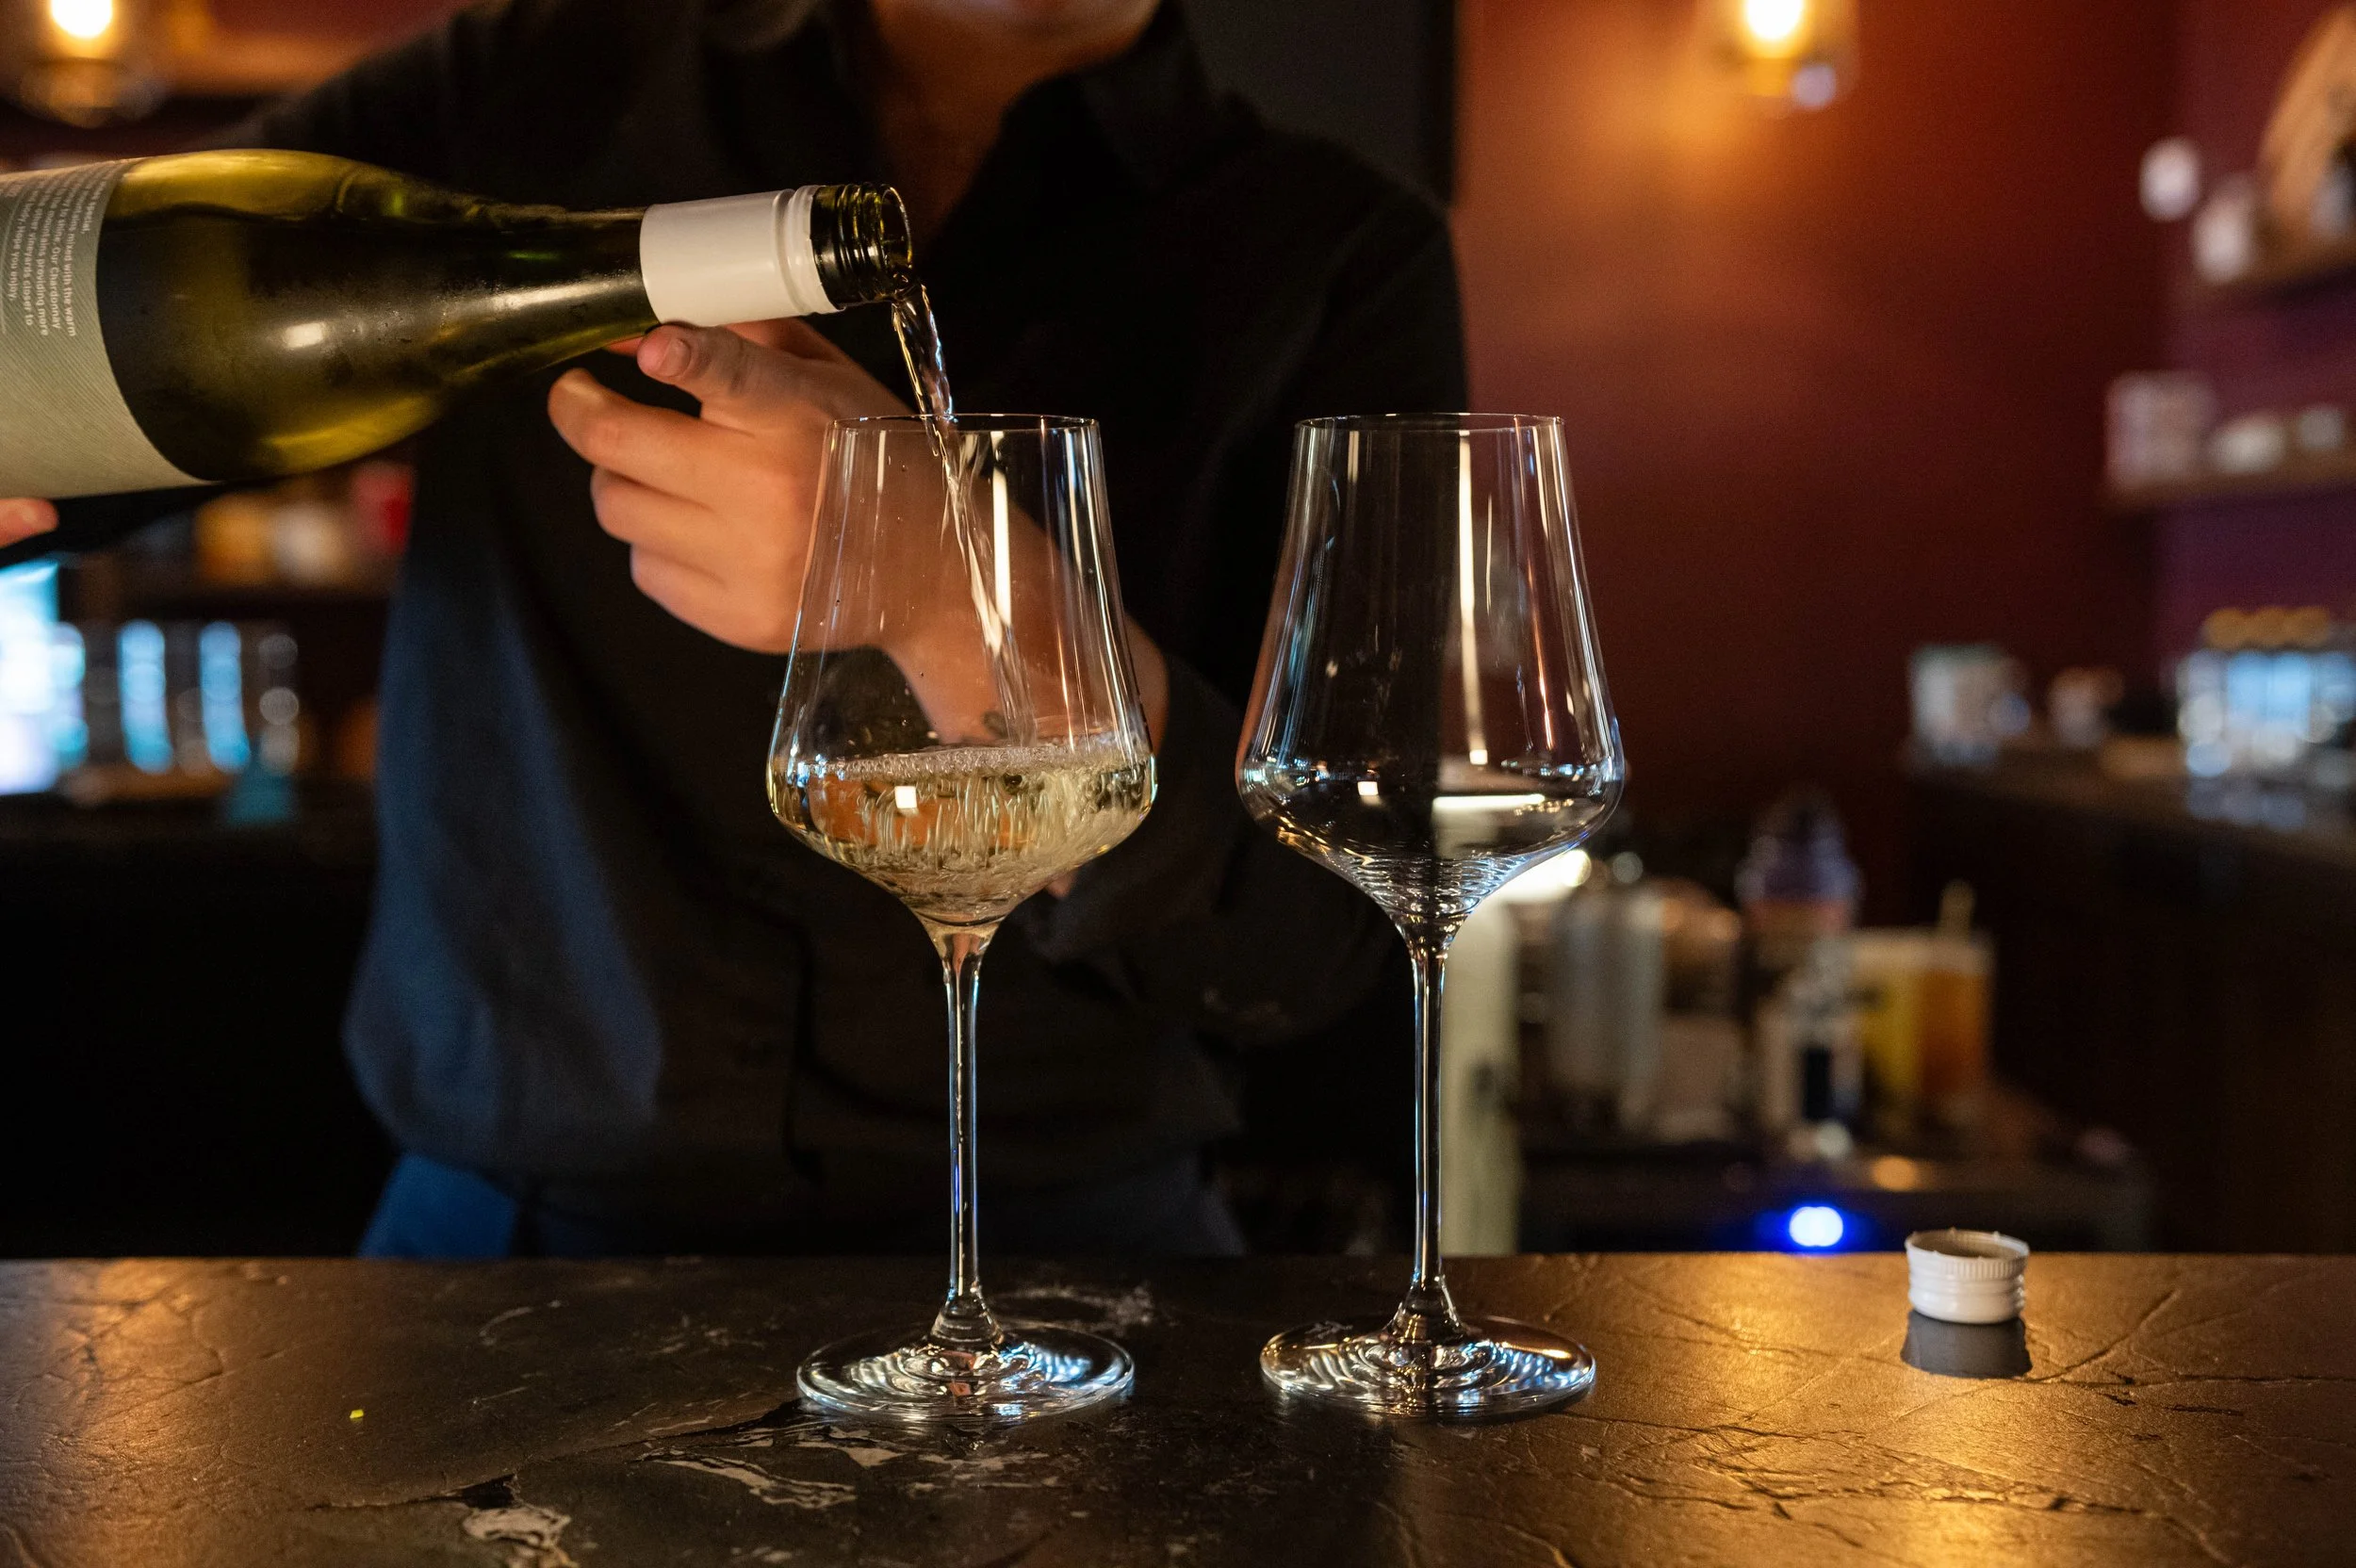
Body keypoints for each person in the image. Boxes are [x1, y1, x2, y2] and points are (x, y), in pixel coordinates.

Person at [0, 0, 1466, 1256]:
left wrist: (947, 588)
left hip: (1072, 1264)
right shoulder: (527, 89)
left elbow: (1319, 949)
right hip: (496, 1262)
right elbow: (101, 371)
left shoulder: (1340, 253)